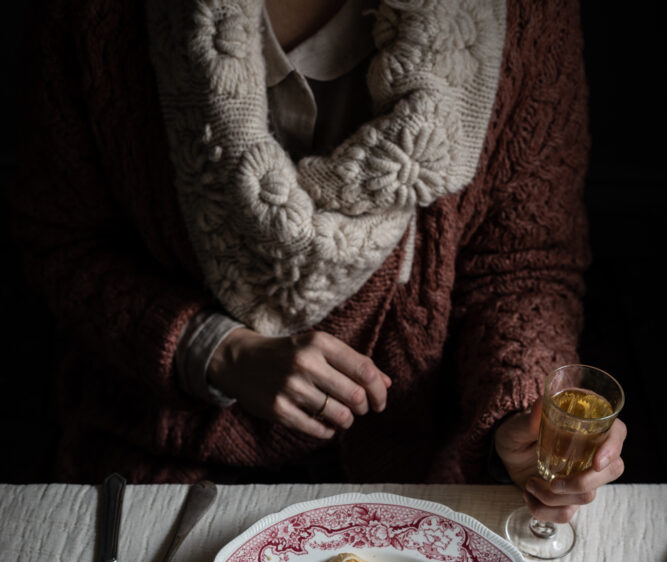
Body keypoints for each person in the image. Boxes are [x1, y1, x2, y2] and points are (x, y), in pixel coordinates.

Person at [12, 0, 626, 524]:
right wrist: (214, 349)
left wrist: (523, 408)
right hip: (167, 458)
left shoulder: (524, 16)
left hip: (428, 468)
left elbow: (522, 265)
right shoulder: (103, 19)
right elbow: (60, 240)